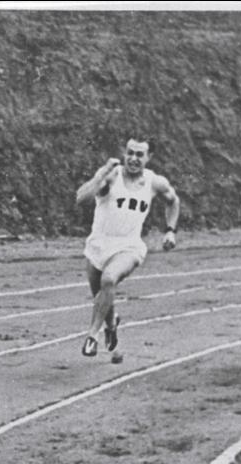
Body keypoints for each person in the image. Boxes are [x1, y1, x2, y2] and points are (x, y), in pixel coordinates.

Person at [76, 136, 180, 357]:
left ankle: (92, 336)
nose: (133, 159)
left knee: (109, 279)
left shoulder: (155, 182)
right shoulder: (112, 176)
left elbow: (173, 201)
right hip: (98, 245)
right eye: (130, 153)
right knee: (103, 294)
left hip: (129, 247)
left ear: (149, 157)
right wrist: (101, 174)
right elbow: (81, 198)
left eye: (139, 154)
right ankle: (111, 326)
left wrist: (170, 230)